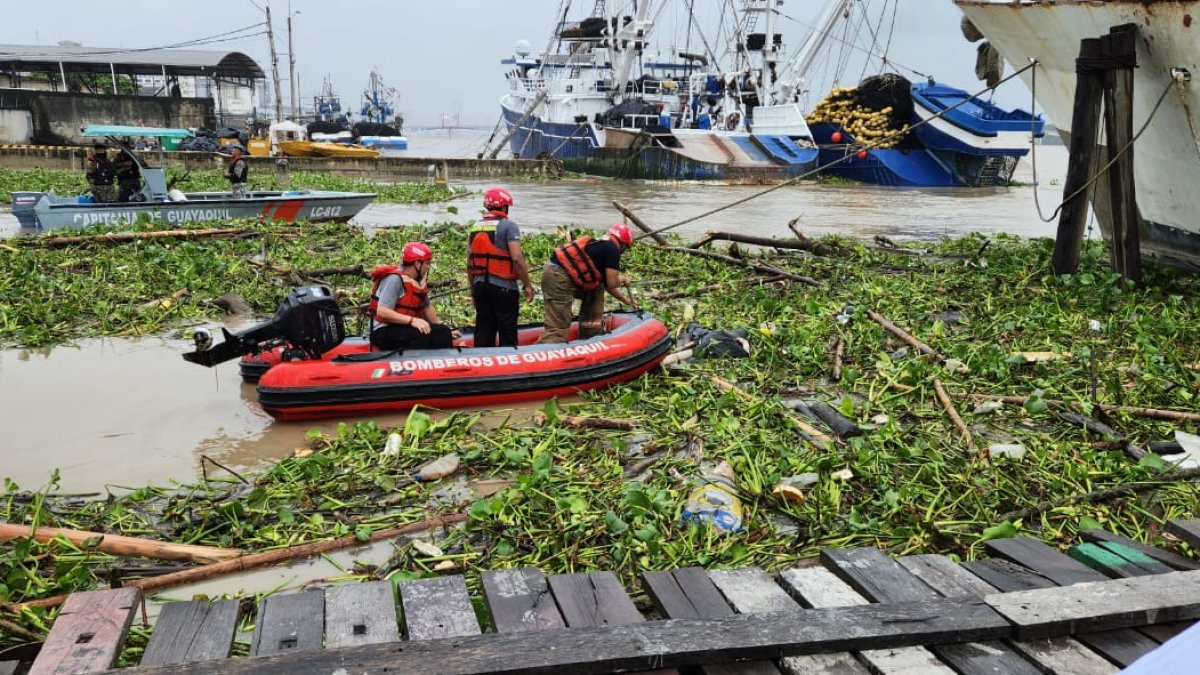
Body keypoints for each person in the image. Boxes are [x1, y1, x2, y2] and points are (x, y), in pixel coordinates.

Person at [538, 223, 638, 344]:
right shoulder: (613, 249)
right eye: (626, 249)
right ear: (623, 244)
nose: (624, 252)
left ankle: (590, 333)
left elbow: (607, 285)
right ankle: (547, 352)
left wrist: (627, 301)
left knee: (597, 287)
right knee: (558, 327)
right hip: (559, 277)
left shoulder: (600, 245)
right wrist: (621, 279)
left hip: (555, 273)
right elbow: (612, 284)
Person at [468, 187, 535, 348]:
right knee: (507, 331)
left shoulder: (475, 227)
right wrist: (527, 285)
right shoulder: (509, 226)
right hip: (503, 288)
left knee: (483, 330)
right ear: (504, 207)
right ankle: (509, 364)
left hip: (480, 287)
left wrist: (473, 291)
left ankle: (481, 364)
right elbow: (517, 258)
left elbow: (469, 264)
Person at [370, 241, 456, 351]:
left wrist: (444, 329)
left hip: (405, 327)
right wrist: (412, 321)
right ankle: (414, 365)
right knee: (419, 335)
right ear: (417, 264)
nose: (428, 267)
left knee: (442, 332)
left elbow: (426, 307)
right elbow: (382, 312)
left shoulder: (418, 281)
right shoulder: (394, 280)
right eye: (427, 263)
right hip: (383, 330)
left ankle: (442, 364)